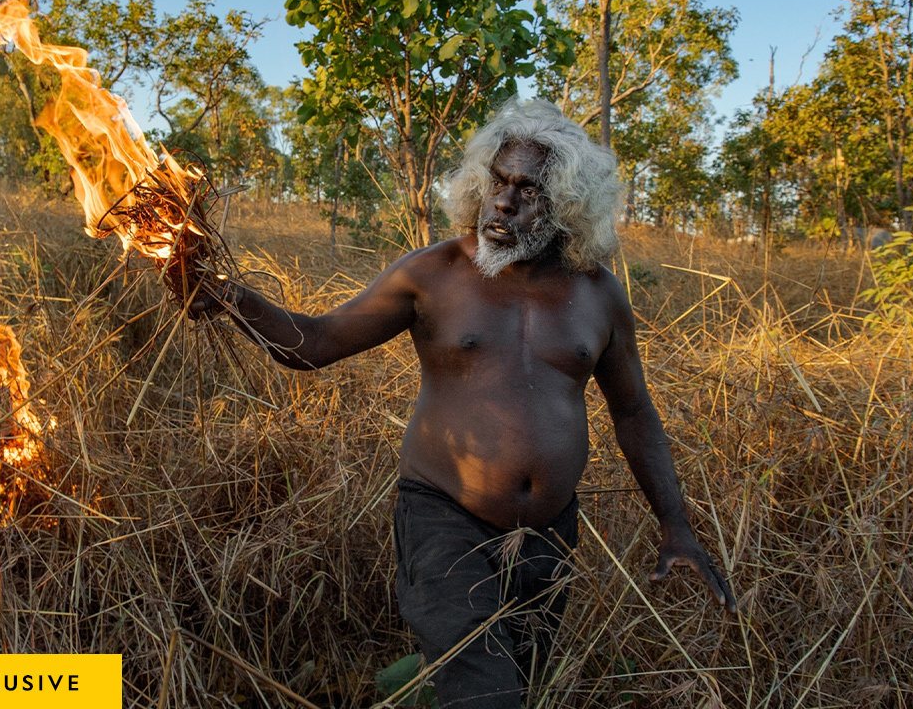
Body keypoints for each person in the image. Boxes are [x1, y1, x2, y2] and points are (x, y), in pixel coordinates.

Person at [192, 99, 736, 707]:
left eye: (529, 191)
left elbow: (633, 412)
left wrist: (677, 527)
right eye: (498, 182)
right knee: (485, 695)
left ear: (569, 206)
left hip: (548, 536)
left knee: (515, 685)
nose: (503, 203)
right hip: (445, 519)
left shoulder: (598, 294)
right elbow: (313, 344)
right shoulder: (434, 274)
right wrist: (225, 294)